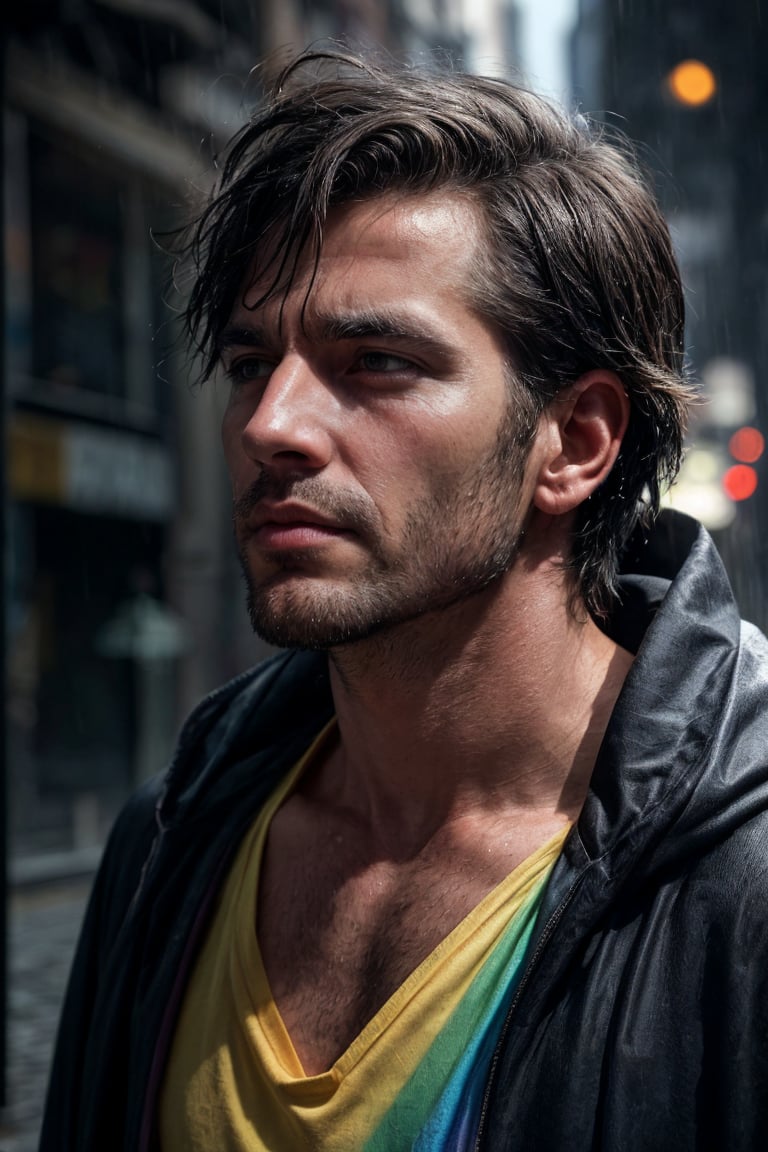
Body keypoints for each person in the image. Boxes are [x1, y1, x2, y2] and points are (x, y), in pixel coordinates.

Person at [41, 47, 768, 1152]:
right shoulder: (171, 838)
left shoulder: (738, 889)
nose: (269, 425)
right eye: (250, 363)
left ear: (573, 443)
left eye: (375, 362)